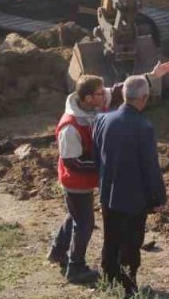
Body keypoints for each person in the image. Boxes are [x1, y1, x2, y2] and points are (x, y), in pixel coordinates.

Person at [91, 74, 166, 296]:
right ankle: (127, 286)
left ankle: (108, 279)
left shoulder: (102, 119)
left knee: (110, 237)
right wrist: (159, 198)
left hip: (108, 191)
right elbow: (150, 167)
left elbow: (97, 156)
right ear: (144, 98)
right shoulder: (144, 127)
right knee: (131, 242)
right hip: (134, 197)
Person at [47, 75, 107, 284]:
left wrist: (152, 77)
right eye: (101, 93)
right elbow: (73, 162)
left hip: (81, 180)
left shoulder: (92, 106)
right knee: (85, 223)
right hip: (75, 182)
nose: (105, 94)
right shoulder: (70, 127)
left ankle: (57, 251)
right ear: (89, 98)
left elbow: (117, 91)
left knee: (75, 215)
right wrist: (102, 167)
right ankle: (76, 268)